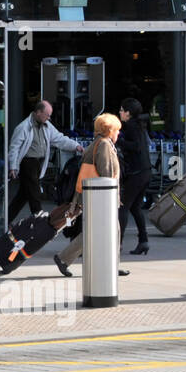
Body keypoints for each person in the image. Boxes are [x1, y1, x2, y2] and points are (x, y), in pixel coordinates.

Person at [54, 113, 130, 277]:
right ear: (109, 130)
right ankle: (64, 258)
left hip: (97, 196)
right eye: (117, 130)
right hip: (101, 197)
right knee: (100, 231)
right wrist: (112, 196)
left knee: (105, 230)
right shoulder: (103, 145)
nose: (118, 133)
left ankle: (66, 259)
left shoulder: (100, 143)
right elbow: (106, 174)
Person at [7, 100, 83, 223]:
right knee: (34, 191)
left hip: (38, 163)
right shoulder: (23, 127)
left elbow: (59, 138)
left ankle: (6, 219)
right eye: (47, 114)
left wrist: (75, 146)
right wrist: (13, 166)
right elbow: (14, 148)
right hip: (27, 162)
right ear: (38, 112)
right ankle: (39, 218)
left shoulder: (47, 126)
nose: (49, 117)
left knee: (24, 195)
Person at [116, 97, 153, 255]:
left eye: (122, 110)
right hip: (145, 171)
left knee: (123, 207)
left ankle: (118, 243)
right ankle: (143, 241)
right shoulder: (140, 125)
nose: (120, 113)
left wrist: (118, 142)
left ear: (128, 113)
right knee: (136, 207)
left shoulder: (131, 126)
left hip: (136, 173)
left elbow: (136, 146)